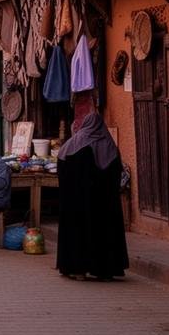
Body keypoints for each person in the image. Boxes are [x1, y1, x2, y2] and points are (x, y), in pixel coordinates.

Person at [57, 113, 129, 280]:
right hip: (104, 203)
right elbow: (115, 173)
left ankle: (77, 269)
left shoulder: (73, 144)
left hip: (76, 203)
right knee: (104, 234)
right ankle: (105, 270)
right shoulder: (109, 145)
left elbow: (62, 167)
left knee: (78, 233)